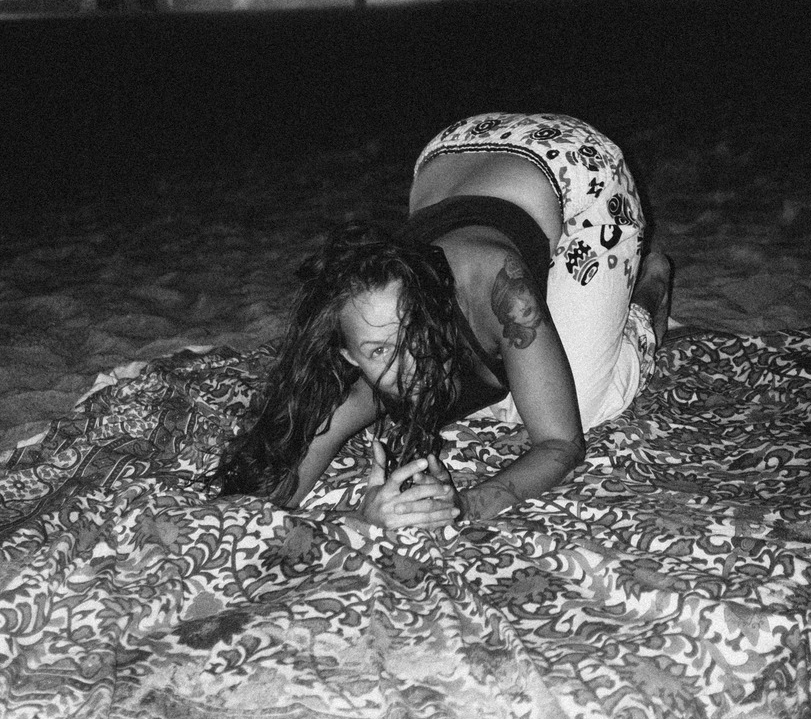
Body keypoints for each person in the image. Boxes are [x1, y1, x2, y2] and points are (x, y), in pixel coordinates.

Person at [220, 113, 671, 531]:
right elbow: (265, 498)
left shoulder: (503, 291)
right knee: (525, 382)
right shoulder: (353, 371)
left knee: (584, 406)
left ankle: (651, 284)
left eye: (410, 331)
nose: (406, 365)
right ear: (347, 355)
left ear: (427, 300)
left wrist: (462, 506)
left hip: (575, 165)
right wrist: (364, 514)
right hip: (449, 154)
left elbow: (561, 445)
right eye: (378, 351)